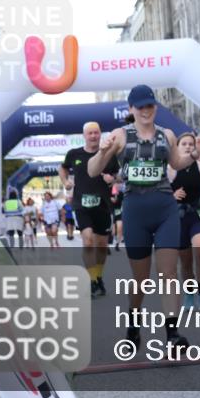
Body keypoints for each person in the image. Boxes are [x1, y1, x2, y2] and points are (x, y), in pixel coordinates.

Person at [88, 84, 200, 352]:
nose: (145, 110)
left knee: (168, 272)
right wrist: (102, 150)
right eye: (140, 106)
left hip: (165, 209)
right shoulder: (120, 135)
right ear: (131, 109)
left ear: (155, 107)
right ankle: (133, 321)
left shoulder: (167, 134)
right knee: (140, 279)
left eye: (149, 105)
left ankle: (173, 334)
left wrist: (195, 152)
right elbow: (93, 169)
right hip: (135, 211)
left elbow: (177, 164)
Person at [62, 121, 120, 295]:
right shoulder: (74, 154)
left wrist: (113, 179)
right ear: (84, 136)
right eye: (90, 133)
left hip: (102, 205)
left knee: (101, 245)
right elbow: (63, 168)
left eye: (96, 133)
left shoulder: (109, 155)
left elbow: (118, 175)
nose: (94, 136)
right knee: (88, 241)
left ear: (100, 134)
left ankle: (98, 277)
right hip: (81, 204)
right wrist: (66, 181)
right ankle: (92, 280)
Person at [170, 132, 200, 310]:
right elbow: (160, 189)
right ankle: (189, 294)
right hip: (178, 216)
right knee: (186, 260)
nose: (188, 146)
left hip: (198, 212)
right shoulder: (170, 168)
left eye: (191, 144)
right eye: (184, 144)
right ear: (177, 147)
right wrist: (171, 195)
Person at [111, 183, 125, 252]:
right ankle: (107, 245)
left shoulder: (121, 193)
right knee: (112, 231)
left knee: (120, 228)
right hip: (110, 211)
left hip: (119, 211)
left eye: (118, 184)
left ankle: (117, 244)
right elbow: (113, 201)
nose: (117, 185)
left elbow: (122, 201)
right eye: (115, 184)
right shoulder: (107, 191)